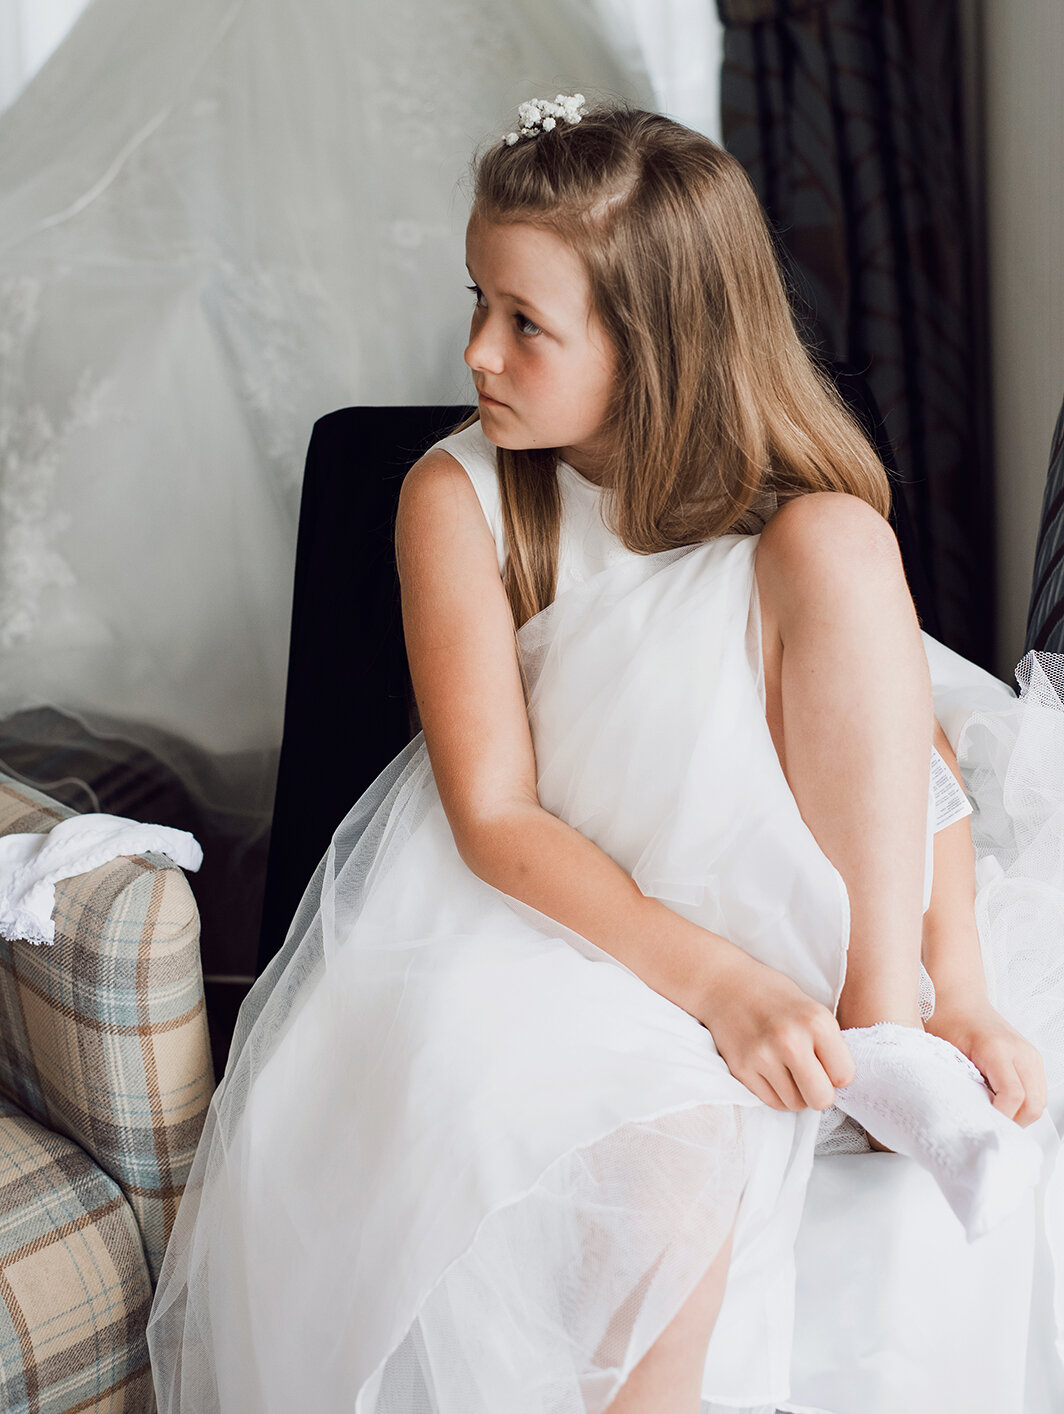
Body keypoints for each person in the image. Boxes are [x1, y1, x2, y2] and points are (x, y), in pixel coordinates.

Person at [147, 100, 1064, 1414]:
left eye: (526, 322)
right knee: (660, 1167)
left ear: (660, 341)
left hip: (813, 905)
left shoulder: (794, 512)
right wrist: (724, 987)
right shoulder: (457, 498)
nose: (477, 349)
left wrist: (957, 982)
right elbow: (500, 820)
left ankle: (887, 1030)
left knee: (841, 540)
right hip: (568, 919)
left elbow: (917, 754)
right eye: (479, 300)